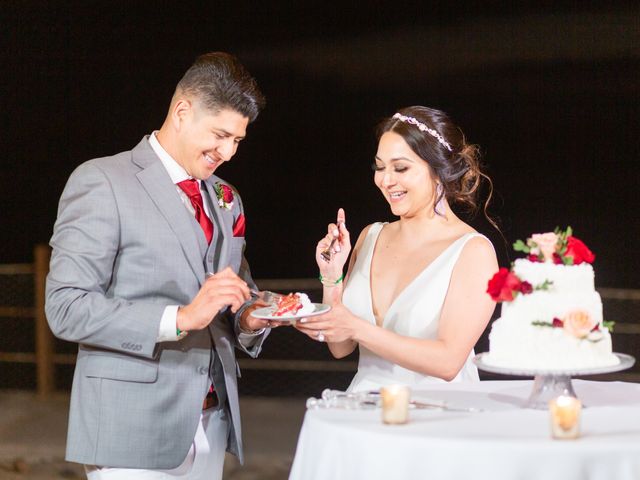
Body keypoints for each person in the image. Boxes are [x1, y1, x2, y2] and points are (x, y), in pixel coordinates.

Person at [45, 52, 270, 479]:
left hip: (212, 424)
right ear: (182, 112)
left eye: (238, 140)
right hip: (131, 426)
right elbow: (65, 308)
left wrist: (253, 317)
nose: (228, 152)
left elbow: (234, 290)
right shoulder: (102, 181)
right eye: (220, 135)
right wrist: (181, 318)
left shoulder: (226, 197)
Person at [296, 106, 499, 392]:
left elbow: (448, 362)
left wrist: (357, 327)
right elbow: (340, 348)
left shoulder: (472, 252)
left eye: (400, 168)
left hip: (437, 416)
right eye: (380, 167)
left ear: (439, 170)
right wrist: (331, 276)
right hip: (364, 410)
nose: (385, 180)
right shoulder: (370, 237)